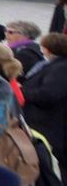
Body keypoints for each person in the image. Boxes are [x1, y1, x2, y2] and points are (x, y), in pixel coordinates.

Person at [21, 33, 67, 169]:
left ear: (48, 48)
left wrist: (23, 93)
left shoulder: (60, 68)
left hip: (50, 123)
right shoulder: (56, 65)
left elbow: (49, 94)